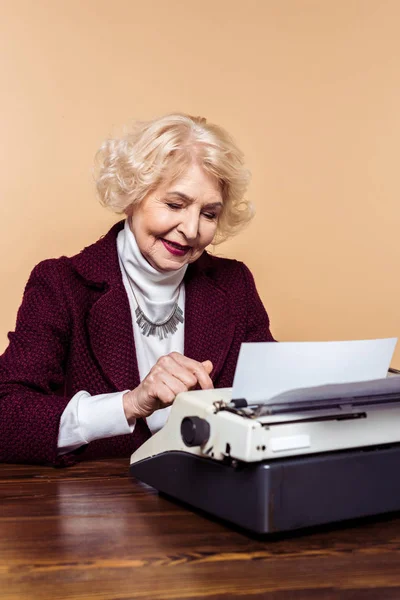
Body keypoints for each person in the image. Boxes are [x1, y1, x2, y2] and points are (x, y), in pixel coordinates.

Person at [0, 113, 275, 466]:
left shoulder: (234, 284)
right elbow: (5, 414)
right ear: (133, 194)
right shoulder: (60, 284)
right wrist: (130, 403)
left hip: (209, 502)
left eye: (208, 214)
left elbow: (270, 401)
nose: (191, 230)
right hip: (94, 508)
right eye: (175, 204)